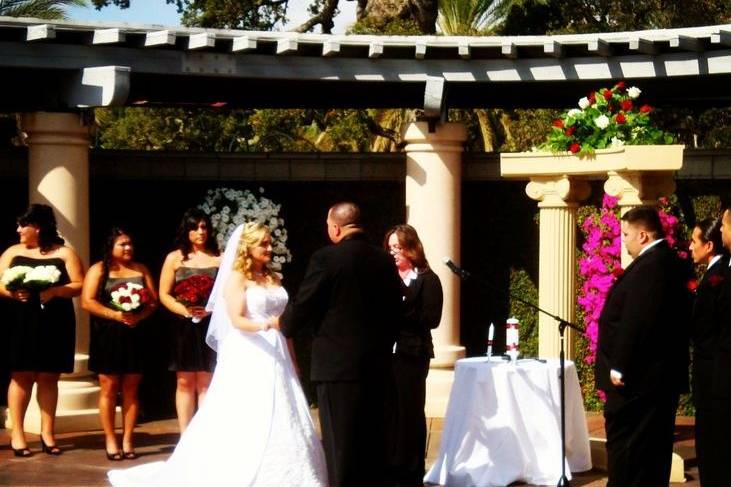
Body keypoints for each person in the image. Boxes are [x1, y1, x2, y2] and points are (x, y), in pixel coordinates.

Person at [107, 222, 327, 486]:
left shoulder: (274, 278)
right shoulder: (236, 278)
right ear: (248, 247)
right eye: (263, 244)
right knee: (247, 409)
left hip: (277, 351)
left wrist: (292, 358)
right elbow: (236, 320)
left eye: (270, 243)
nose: (269, 248)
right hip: (251, 350)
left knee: (285, 407)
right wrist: (268, 326)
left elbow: (285, 325)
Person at [281, 202, 403, 487]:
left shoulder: (327, 259)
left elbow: (305, 303)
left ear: (335, 227)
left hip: (337, 367)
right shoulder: (385, 261)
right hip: (378, 365)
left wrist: (286, 325)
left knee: (340, 447)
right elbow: (395, 311)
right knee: (372, 443)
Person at [595, 206, 692, 487]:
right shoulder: (668, 261)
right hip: (656, 381)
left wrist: (619, 366)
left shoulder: (651, 267)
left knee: (631, 454)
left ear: (644, 235)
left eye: (626, 234)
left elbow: (637, 321)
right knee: (651, 453)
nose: (622, 241)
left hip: (638, 383)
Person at [0, 204, 84, 457]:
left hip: (54, 319)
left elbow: (79, 284)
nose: (18, 230)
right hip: (21, 318)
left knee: (49, 376)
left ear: (37, 227)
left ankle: (48, 433)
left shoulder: (65, 253)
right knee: (21, 375)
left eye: (22, 225)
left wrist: (57, 290)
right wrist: (13, 292)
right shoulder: (12, 252)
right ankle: (18, 434)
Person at [81, 227, 158, 461]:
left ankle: (127, 439)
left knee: (131, 390)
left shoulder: (141, 269)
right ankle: (110, 439)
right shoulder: (98, 269)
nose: (128, 248)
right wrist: (115, 315)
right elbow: (87, 301)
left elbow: (153, 302)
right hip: (108, 335)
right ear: (110, 247)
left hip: (135, 334)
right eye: (122, 244)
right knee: (109, 388)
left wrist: (139, 316)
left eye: (130, 243)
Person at [384, 224, 443, 487]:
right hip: (386, 353)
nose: (393, 253)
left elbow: (431, 318)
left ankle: (411, 470)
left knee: (410, 411)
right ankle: (389, 466)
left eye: (398, 247)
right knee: (388, 411)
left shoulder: (428, 279)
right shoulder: (385, 278)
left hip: (413, 354)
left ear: (411, 248)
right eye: (390, 248)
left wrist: (401, 308)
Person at [159, 209, 220, 433]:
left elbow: (226, 293)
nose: (200, 232)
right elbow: (164, 293)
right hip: (183, 326)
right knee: (184, 381)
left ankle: (203, 434)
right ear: (187, 231)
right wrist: (185, 311)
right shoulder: (174, 258)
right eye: (195, 228)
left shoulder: (219, 257)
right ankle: (185, 434)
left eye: (204, 227)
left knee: (206, 381)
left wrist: (210, 310)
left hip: (210, 324)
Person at [688, 217, 729, 487]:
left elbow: (707, 327)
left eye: (694, 241)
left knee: (715, 449)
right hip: (712, 376)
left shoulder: (721, 275)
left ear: (709, 245)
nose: (690, 247)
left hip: (717, 377)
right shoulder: (716, 272)